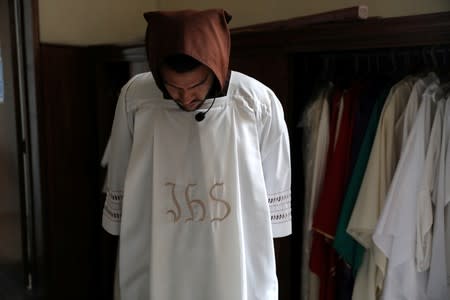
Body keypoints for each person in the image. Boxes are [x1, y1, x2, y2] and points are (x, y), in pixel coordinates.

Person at [101, 9, 292, 300]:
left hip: (233, 255)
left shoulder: (257, 102)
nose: (186, 98)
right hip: (156, 247)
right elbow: (119, 171)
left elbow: (275, 194)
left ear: (216, 69)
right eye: (174, 88)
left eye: (196, 86)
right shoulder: (136, 97)